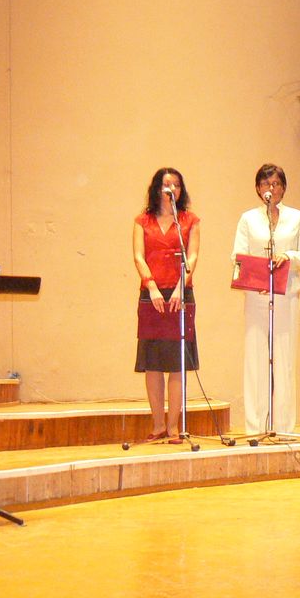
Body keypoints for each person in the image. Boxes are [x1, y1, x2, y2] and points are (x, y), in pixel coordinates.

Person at [233, 163, 300, 435]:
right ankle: (255, 428)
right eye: (266, 184)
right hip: (257, 296)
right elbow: (238, 257)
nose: (271, 188)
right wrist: (255, 279)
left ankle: (283, 428)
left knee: (284, 360)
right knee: (256, 360)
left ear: (283, 188)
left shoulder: (297, 218)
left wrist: (289, 257)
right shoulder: (248, 219)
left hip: (286, 295)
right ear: (258, 188)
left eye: (276, 183)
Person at [132, 167, 200, 445]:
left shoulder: (189, 221)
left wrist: (181, 286)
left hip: (180, 294)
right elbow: (138, 256)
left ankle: (173, 426)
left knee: (176, 362)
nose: (172, 189)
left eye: (177, 185)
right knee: (153, 363)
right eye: (166, 184)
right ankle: (157, 424)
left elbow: (192, 256)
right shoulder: (142, 220)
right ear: (156, 189)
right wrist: (151, 286)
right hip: (152, 294)